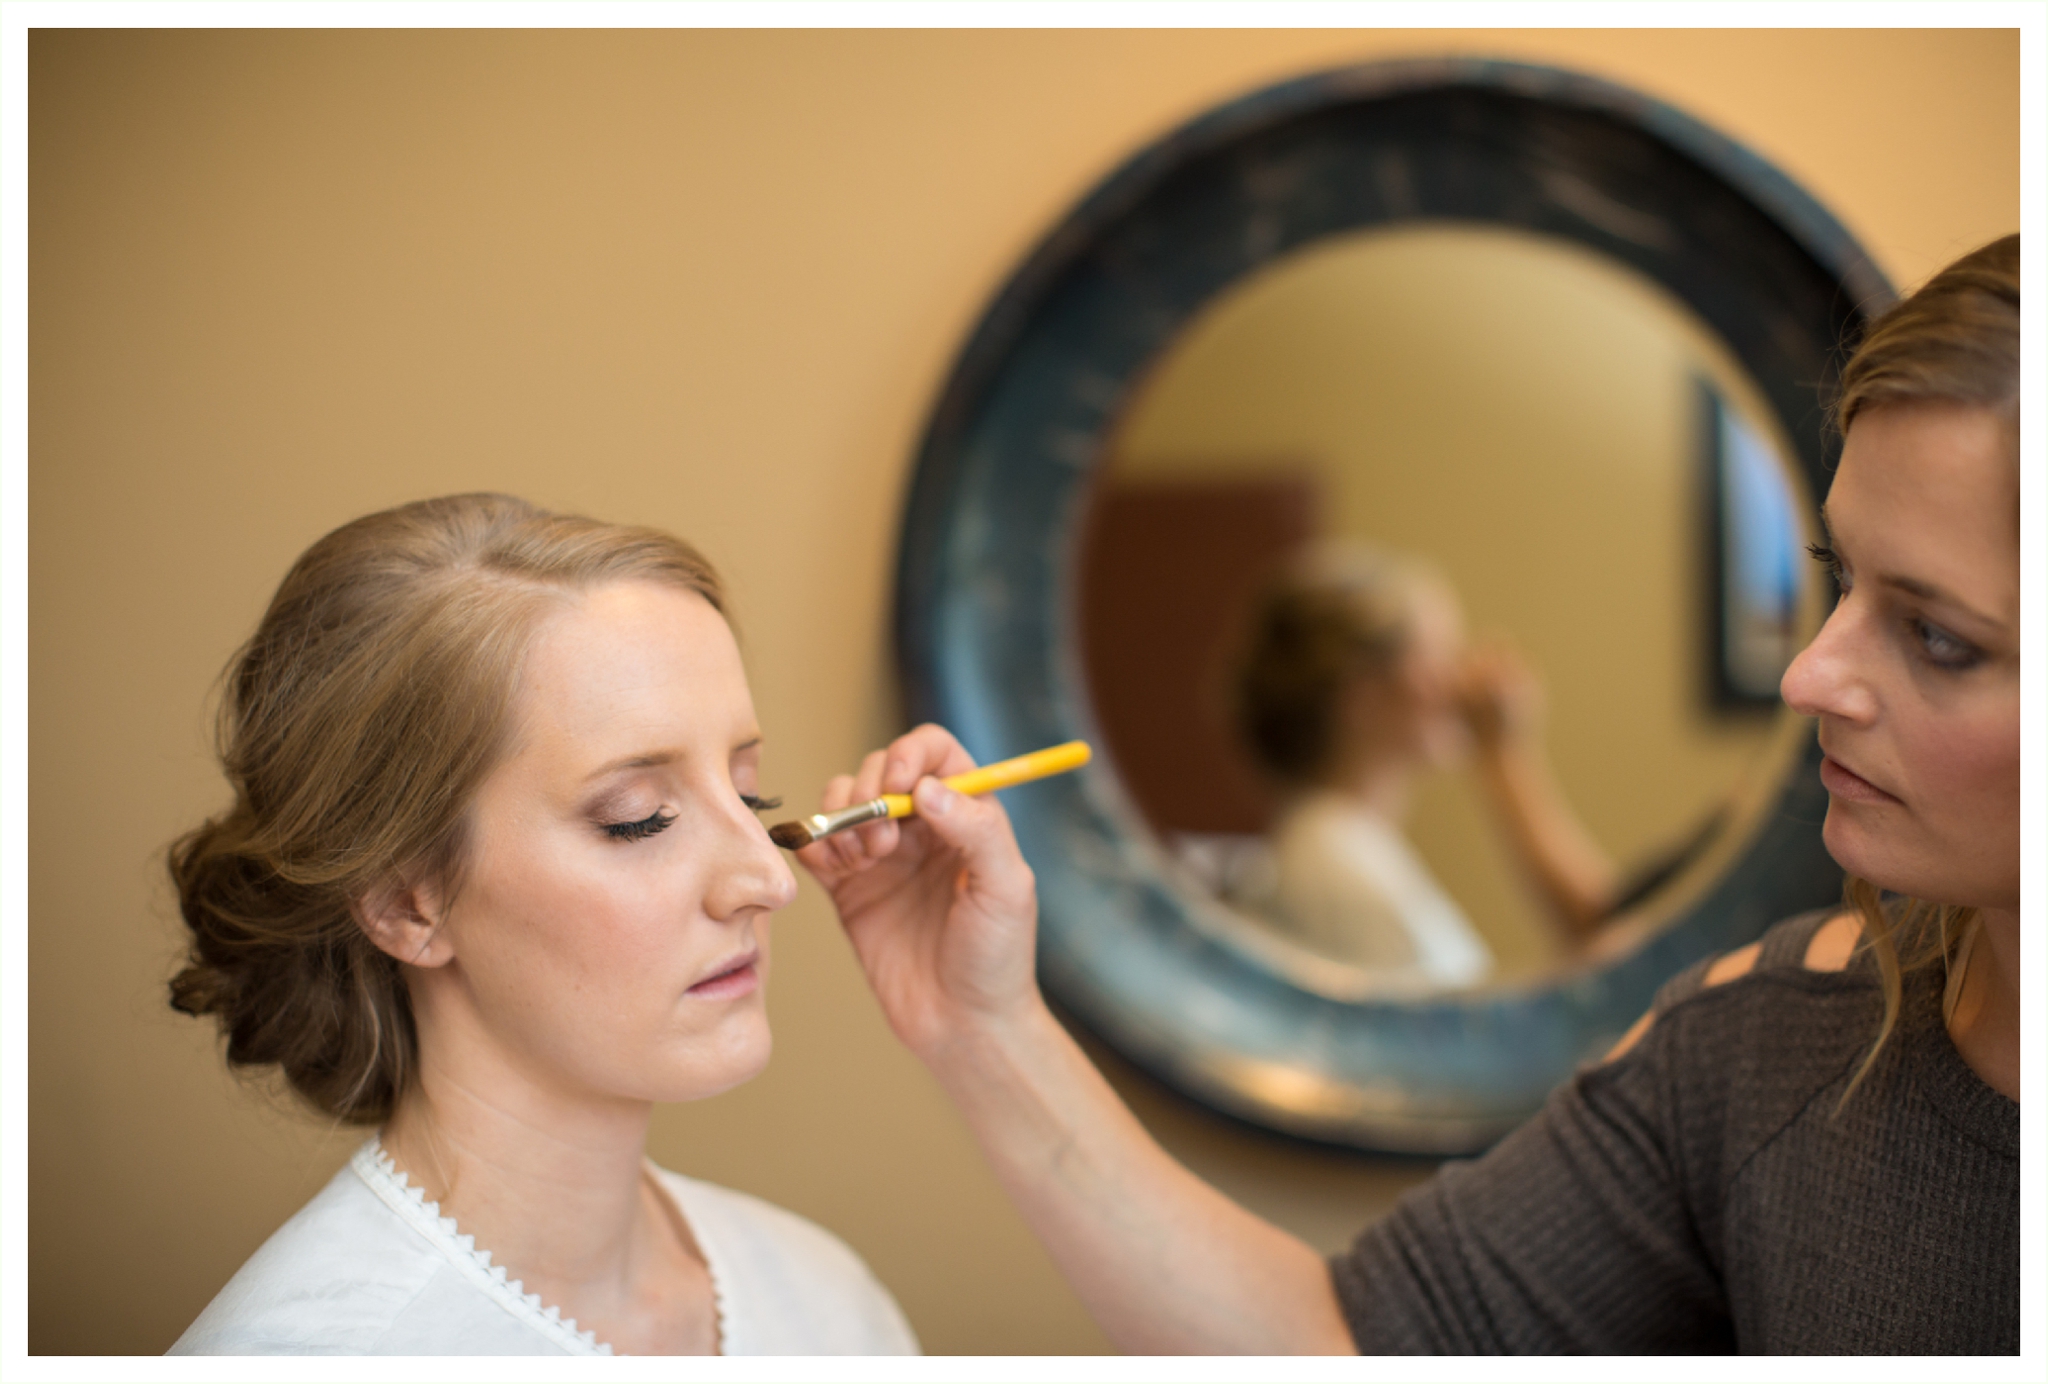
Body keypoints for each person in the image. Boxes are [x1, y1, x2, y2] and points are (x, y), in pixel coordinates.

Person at [800, 235, 2019, 1352]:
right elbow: (1344, 1348)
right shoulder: (1761, 1052)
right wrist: (982, 1030)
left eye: (1938, 637)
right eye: (1836, 577)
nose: (1810, 672)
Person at [165, 495, 917, 1355]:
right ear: (406, 902)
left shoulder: (826, 1300)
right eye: (639, 818)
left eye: (751, 795)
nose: (766, 879)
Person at [1230, 542, 1618, 984]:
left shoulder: (1345, 848)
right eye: (1437, 655)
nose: (1458, 680)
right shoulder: (1337, 866)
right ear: (1362, 696)